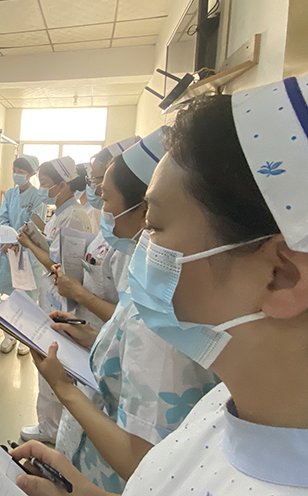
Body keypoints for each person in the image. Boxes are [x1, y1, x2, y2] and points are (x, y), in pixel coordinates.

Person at [11, 59, 308, 495]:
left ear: (282, 276)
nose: (143, 251)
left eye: (155, 228)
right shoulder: (227, 408)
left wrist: (67, 391)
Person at [40, 128, 216, 493]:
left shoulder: (162, 309)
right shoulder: (149, 281)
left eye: (106, 197)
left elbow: (144, 457)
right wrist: (96, 337)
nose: (102, 210)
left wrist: (64, 389)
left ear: (144, 212)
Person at [16, 156, 92, 443]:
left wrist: (29, 244)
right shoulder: (61, 213)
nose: (41, 188)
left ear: (62, 185)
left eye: (45, 183)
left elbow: (58, 266)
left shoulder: (74, 216)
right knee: (50, 355)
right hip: (52, 295)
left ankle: (52, 428)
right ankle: (51, 424)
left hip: (60, 299)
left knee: (53, 358)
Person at [54, 136, 147, 332]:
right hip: (89, 331)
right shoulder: (112, 230)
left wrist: (77, 292)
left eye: (105, 196)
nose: (94, 190)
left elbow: (131, 322)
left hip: (104, 336)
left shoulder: (129, 244)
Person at [0, 154, 48, 355]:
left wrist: (18, 240)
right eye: (14, 170)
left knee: (28, 297)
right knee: (9, 296)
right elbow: (3, 217)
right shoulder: (10, 194)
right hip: (9, 249)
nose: (16, 174)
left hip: (28, 250)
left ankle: (26, 336)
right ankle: (9, 335)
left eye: (21, 171)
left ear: (31, 174)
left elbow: (34, 223)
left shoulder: (38, 197)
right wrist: (8, 239)